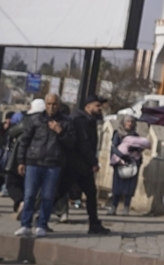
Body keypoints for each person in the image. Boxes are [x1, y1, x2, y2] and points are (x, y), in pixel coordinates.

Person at [15, 93, 75, 237]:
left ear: (59, 105)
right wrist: (21, 161)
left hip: (53, 164)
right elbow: (24, 141)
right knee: (29, 195)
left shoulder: (66, 122)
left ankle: (42, 224)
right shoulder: (36, 119)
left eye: (54, 104)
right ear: (45, 104)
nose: (51, 107)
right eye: (49, 104)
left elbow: (72, 143)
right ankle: (25, 224)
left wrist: (60, 131)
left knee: (47, 196)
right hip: (33, 162)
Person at [55, 94, 111, 234]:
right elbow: (83, 143)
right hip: (75, 164)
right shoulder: (80, 120)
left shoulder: (89, 120)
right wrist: (93, 162)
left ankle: (94, 224)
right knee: (59, 192)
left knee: (90, 193)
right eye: (97, 106)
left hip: (82, 165)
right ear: (88, 106)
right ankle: (36, 215)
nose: (100, 108)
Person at [108, 115, 148, 216]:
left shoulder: (135, 135)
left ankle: (126, 207)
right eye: (128, 121)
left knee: (129, 187)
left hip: (132, 163)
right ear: (123, 122)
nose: (130, 124)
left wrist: (136, 149)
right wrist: (121, 155)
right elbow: (114, 147)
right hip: (120, 162)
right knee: (117, 187)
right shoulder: (118, 134)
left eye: (132, 122)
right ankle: (114, 207)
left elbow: (141, 146)